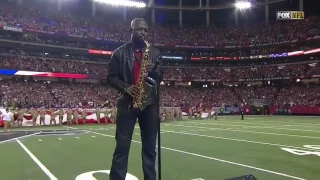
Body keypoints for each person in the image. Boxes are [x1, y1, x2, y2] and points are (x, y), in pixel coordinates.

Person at [107, 18, 163, 180]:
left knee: (150, 149)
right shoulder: (119, 53)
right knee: (122, 148)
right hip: (127, 103)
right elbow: (110, 77)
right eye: (139, 29)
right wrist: (125, 87)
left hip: (150, 104)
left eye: (145, 30)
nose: (143, 32)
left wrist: (154, 72)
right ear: (131, 30)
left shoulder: (155, 53)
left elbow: (159, 79)